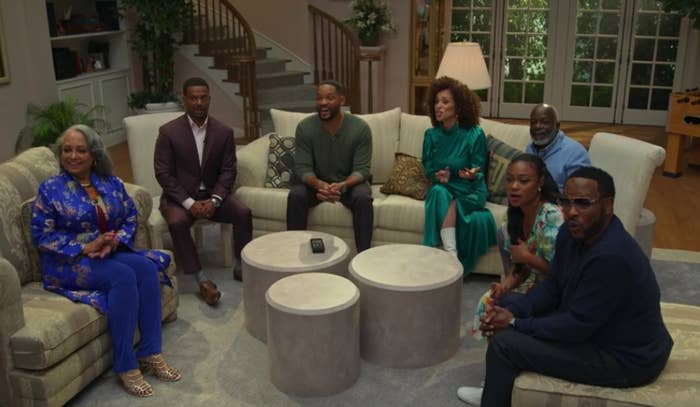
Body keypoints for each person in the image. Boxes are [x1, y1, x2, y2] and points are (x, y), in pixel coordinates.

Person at [457, 167, 674, 407]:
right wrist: (512, 314)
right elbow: (552, 288)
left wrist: (515, 323)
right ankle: (499, 388)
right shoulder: (572, 234)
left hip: (624, 358)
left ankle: (495, 396)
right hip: (596, 329)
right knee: (508, 303)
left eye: (583, 203)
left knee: (505, 345)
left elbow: (576, 326)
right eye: (566, 202)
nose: (571, 212)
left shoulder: (611, 256)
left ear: (608, 205)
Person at [31, 125, 180, 398]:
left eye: (80, 150)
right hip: (66, 262)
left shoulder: (110, 182)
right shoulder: (51, 189)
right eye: (67, 150)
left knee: (146, 268)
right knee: (122, 276)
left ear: (94, 155)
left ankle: (150, 351)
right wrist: (85, 246)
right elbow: (41, 235)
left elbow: (131, 216)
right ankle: (125, 365)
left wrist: (114, 240)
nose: (72, 156)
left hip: (107, 252)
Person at [154, 77, 252, 305]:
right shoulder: (168, 132)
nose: (198, 102)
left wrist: (215, 200)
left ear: (209, 99)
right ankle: (201, 279)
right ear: (184, 99)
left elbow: (228, 171)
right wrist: (189, 203)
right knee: (177, 223)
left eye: (203, 97)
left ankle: (240, 265)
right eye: (193, 98)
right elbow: (163, 174)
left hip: (212, 196)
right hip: (179, 199)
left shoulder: (224, 132)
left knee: (243, 212)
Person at [471, 154, 563, 339]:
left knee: (503, 309)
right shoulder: (514, 214)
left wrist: (528, 258)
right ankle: (498, 350)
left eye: (523, 181)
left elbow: (562, 276)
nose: (514, 187)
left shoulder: (552, 217)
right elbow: (520, 270)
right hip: (529, 284)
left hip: (553, 293)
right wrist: (503, 287)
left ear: (540, 182)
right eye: (510, 180)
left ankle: (507, 346)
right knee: (489, 301)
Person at [286, 80, 373, 252]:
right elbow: (303, 168)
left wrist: (342, 185)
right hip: (315, 185)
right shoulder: (305, 127)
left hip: (348, 184)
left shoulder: (360, 128)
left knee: (363, 198)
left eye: (329, 98)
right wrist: (320, 185)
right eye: (319, 98)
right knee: (296, 194)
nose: (323, 102)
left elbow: (362, 169)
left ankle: (364, 257)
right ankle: (293, 253)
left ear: (341, 100)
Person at [422, 76, 496, 275]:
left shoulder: (474, 134)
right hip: (445, 187)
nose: (439, 106)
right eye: (436, 101)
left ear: (459, 107)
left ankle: (447, 260)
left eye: (445, 102)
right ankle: (452, 257)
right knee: (437, 191)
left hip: (469, 188)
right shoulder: (431, 135)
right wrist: (438, 177)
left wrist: (471, 175)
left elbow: (478, 171)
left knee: (452, 202)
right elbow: (428, 168)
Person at [527, 103, 590, 192]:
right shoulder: (530, 148)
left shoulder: (575, 153)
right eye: (533, 122)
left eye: (545, 122)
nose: (537, 126)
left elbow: (580, 193)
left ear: (557, 126)